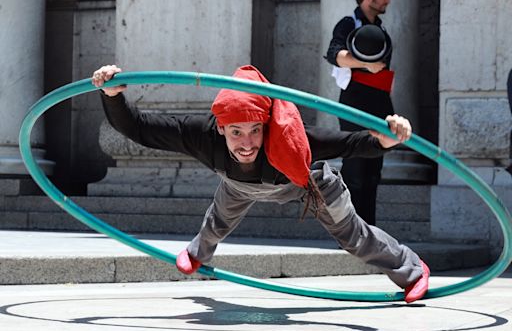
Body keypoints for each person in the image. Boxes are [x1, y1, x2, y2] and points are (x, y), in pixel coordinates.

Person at [92, 63, 430, 303]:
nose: (247, 143)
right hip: (238, 185)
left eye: (255, 130)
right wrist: (112, 96)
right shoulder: (202, 135)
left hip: (307, 183)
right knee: (217, 222)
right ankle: (197, 253)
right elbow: (138, 128)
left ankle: (413, 270)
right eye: (236, 132)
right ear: (220, 128)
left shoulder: (289, 138)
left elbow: (349, 143)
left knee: (353, 237)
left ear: (266, 125)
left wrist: (385, 140)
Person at [325, 0, 394, 226]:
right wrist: (367, 64)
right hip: (355, 104)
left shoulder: (381, 28)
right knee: (355, 170)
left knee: (374, 173)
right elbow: (335, 54)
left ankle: (370, 233)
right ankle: (350, 234)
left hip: (381, 106)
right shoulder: (348, 23)